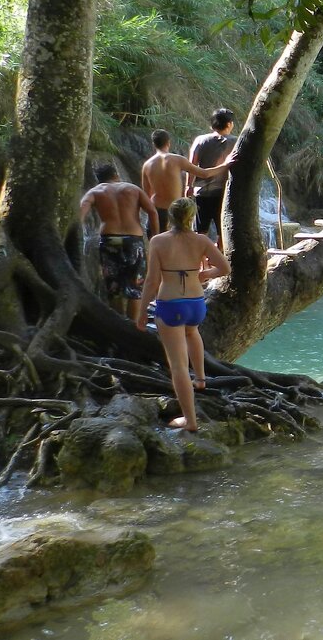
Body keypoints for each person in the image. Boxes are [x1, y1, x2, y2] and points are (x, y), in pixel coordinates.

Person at [137, 198, 230, 431]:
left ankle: (190, 421)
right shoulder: (201, 240)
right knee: (192, 332)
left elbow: (151, 281)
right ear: (191, 217)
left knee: (177, 366)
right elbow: (225, 268)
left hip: (171, 305)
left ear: (170, 217)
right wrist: (203, 274)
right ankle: (200, 379)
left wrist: (141, 313)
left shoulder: (158, 241)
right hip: (196, 304)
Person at [80, 163, 158, 322]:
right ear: (116, 175)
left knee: (114, 289)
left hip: (110, 242)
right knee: (135, 289)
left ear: (98, 179)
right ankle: (133, 327)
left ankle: (119, 325)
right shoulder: (133, 189)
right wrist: (155, 237)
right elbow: (152, 211)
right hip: (133, 241)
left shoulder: (95, 192)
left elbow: (79, 213)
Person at [141, 129, 230, 234]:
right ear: (168, 142)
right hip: (175, 211)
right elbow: (204, 174)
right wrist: (226, 165)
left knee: (156, 245)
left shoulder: (147, 166)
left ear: (154, 144)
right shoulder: (177, 160)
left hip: (156, 210)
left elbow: (147, 195)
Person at [186, 108, 237, 251]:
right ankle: (219, 256)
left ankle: (202, 264)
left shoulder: (200, 140)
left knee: (201, 230)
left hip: (201, 192)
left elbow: (192, 165)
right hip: (224, 193)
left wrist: (188, 186)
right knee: (223, 229)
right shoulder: (235, 142)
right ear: (228, 124)